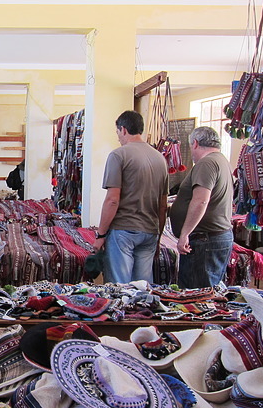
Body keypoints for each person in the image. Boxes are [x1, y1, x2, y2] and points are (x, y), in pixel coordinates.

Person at [93, 110, 168, 284]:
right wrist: (158, 235)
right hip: (150, 230)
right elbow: (163, 205)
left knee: (120, 287)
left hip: (124, 231)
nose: (118, 137)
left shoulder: (119, 155)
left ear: (123, 130)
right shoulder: (160, 159)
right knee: (142, 289)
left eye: (118, 132)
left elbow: (112, 199)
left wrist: (100, 235)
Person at [168, 126, 233, 288]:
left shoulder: (207, 163)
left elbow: (201, 201)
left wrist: (185, 234)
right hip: (213, 238)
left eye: (191, 147)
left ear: (195, 143)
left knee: (196, 295)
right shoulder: (221, 160)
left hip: (205, 241)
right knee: (206, 293)